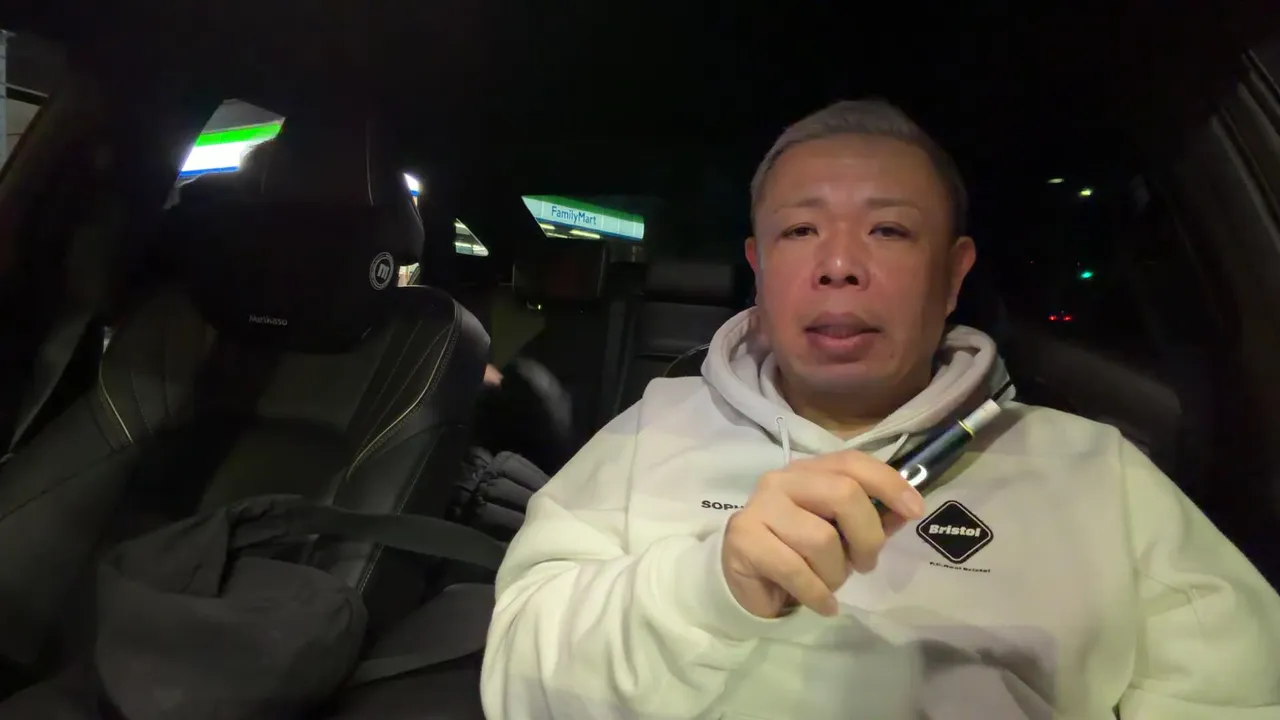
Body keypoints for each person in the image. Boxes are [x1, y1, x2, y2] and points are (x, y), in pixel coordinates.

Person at [479, 100, 1280, 719]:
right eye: (800, 230)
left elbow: (1238, 695)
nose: (838, 265)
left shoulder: (1096, 472)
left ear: (953, 275)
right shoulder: (650, 428)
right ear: (759, 269)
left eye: (889, 230)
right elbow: (521, 686)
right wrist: (709, 588)